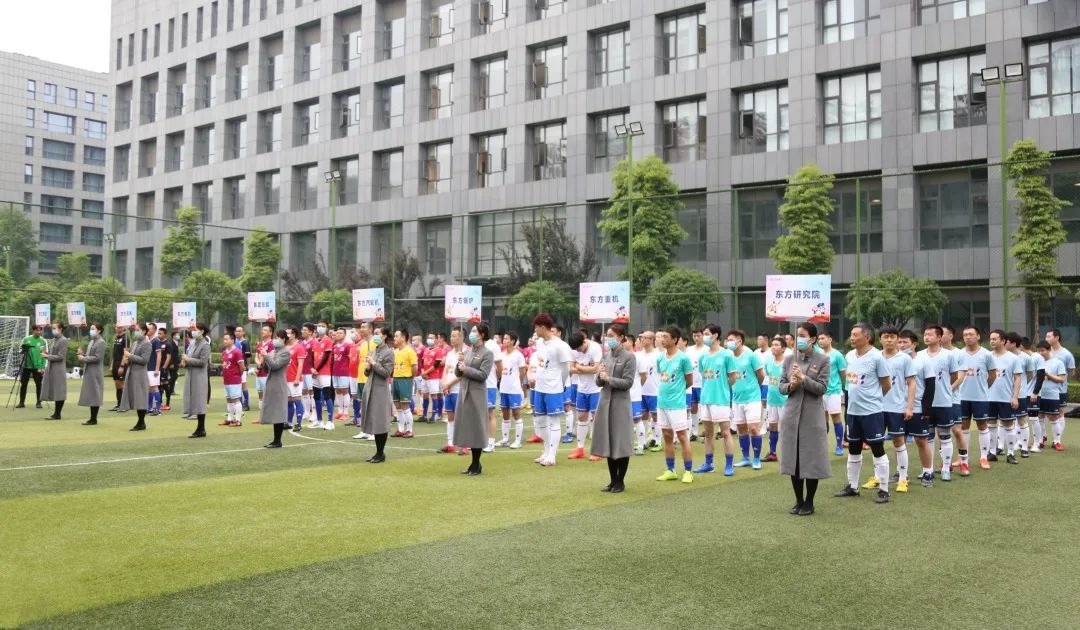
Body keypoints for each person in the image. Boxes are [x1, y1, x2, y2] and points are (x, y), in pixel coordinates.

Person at [834, 323, 893, 503]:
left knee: (877, 449)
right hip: (852, 412)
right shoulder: (849, 356)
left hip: (872, 413)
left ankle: (884, 489)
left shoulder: (877, 357)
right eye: (851, 334)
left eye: (855, 335)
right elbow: (849, 384)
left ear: (867, 337)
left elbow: (886, 384)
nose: (851, 338)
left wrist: (873, 400)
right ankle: (853, 487)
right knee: (853, 448)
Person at [778, 323, 831, 516]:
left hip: (812, 417)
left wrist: (803, 378)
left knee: (811, 459)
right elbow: (781, 387)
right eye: (797, 334)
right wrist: (791, 386)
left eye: (802, 335)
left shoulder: (823, 360)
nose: (798, 338)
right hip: (791, 415)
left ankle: (809, 502)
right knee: (794, 460)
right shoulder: (789, 359)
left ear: (813, 339)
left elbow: (822, 388)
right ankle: (799, 500)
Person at [863, 326, 917, 493]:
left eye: (893, 336)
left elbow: (911, 383)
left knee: (898, 441)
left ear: (897, 339)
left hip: (896, 407)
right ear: (880, 339)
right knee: (876, 442)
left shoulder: (905, 359)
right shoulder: (873, 357)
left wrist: (909, 406)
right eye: (886, 336)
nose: (889, 340)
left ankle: (903, 478)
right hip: (875, 407)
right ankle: (878, 477)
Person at [592, 325, 636, 493]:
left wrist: (609, 378)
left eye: (611, 335)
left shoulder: (629, 357)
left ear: (621, 337)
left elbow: (628, 382)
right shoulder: (606, 356)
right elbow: (599, 382)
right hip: (605, 403)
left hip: (620, 404)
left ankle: (620, 481)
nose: (608, 338)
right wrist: (599, 376)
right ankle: (612, 480)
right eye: (607, 335)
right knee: (608, 442)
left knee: (620, 442)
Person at [918, 325, 961, 481]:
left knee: (945, 435)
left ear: (939, 337)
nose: (926, 337)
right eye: (925, 334)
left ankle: (946, 468)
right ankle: (928, 469)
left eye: (930, 334)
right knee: (927, 436)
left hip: (943, 402)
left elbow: (954, 376)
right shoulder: (919, 355)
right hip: (925, 403)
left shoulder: (949, 355)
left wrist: (945, 390)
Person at [530, 314, 574, 466]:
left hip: (554, 388)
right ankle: (546, 451)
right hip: (539, 387)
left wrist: (561, 384)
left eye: (536, 328)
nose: (535, 331)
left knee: (554, 421)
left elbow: (566, 368)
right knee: (540, 420)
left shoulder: (560, 345)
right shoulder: (539, 343)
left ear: (543, 327)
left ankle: (552, 456)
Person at [694, 324, 737, 475]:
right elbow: (704, 376)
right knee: (708, 433)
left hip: (721, 400)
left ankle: (729, 465)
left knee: (725, 433)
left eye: (706, 334)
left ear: (715, 335)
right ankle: (708, 464)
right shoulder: (703, 356)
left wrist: (723, 388)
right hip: (706, 399)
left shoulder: (727, 355)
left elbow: (733, 377)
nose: (704, 337)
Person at [654, 325, 695, 484]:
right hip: (662, 403)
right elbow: (662, 377)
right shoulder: (660, 358)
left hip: (677, 404)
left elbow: (689, 381)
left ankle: (688, 471)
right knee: (667, 436)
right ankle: (670, 470)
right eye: (661, 336)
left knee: (682, 436)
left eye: (665, 337)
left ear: (675, 339)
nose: (662, 339)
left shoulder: (683, 358)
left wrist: (677, 391)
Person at [453, 323, 495, 476]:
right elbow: (458, 373)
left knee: (477, 427)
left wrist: (466, 369)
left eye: (474, 331)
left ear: (482, 335)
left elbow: (483, 375)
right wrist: (459, 364)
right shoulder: (467, 351)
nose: (471, 334)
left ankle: (476, 463)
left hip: (477, 394)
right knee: (468, 427)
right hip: (464, 392)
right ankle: (473, 463)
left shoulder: (487, 353)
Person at [898, 330, 938, 487]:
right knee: (899, 441)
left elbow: (930, 386)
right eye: (899, 342)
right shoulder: (895, 360)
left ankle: (928, 472)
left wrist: (927, 410)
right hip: (898, 407)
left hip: (918, 408)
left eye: (905, 342)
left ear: (914, 344)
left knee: (921, 440)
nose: (901, 345)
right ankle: (902, 473)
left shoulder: (923, 361)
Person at [957, 326, 996, 470]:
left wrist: (983, 388)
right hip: (962, 397)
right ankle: (963, 458)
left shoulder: (986, 355)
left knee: (982, 425)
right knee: (963, 426)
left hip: (980, 397)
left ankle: (984, 457)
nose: (968, 337)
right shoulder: (959, 354)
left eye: (971, 334)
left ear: (978, 336)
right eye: (965, 334)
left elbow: (992, 375)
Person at [728, 329, 766, 469]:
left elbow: (761, 375)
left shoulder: (751, 355)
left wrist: (754, 388)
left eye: (731, 340)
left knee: (753, 428)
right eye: (728, 340)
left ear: (739, 341)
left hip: (752, 398)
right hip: (737, 399)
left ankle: (756, 458)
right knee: (741, 428)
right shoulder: (728, 357)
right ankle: (746, 458)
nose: (729, 342)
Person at [987, 330, 1023, 464]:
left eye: (995, 339)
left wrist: (1015, 397)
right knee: (990, 424)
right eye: (990, 339)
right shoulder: (987, 356)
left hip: (1006, 398)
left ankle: (1011, 454)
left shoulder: (1013, 358)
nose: (992, 341)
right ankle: (992, 452)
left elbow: (1018, 378)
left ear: (1003, 341)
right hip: (989, 398)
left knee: (1008, 425)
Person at [361, 326, 395, 463]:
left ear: (384, 336)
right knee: (374, 420)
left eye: (377, 333)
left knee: (380, 421)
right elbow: (366, 373)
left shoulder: (389, 352)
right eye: (374, 333)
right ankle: (377, 452)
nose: (375, 336)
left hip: (380, 390)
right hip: (370, 388)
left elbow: (386, 373)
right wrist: (368, 367)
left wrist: (374, 364)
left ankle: (381, 453)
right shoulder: (372, 351)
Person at [568, 331, 603, 460]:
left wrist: (579, 367)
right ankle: (580, 449)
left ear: (584, 342)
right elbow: (570, 368)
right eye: (576, 349)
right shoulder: (574, 349)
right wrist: (585, 368)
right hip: (582, 389)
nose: (578, 351)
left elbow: (596, 369)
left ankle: (598, 451)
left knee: (597, 418)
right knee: (582, 417)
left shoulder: (595, 348)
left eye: (579, 348)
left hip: (596, 389)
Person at [436, 326, 467, 454]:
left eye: (455, 336)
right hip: (449, 390)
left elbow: (462, 374)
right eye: (451, 335)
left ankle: (465, 444)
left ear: (462, 337)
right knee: (450, 417)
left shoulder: (466, 352)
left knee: (462, 418)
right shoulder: (450, 353)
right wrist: (444, 383)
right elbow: (446, 370)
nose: (452, 338)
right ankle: (450, 443)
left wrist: (448, 384)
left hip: (460, 390)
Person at [258, 329, 292, 448]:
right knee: (274, 411)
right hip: (271, 383)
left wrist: (266, 356)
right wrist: (262, 362)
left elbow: (275, 365)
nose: (275, 340)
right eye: (275, 337)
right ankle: (275, 440)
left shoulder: (285, 352)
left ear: (284, 339)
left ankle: (278, 440)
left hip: (278, 384)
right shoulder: (273, 351)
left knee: (278, 412)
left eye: (278, 338)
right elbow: (268, 367)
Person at [816, 332, 848, 456]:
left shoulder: (837, 355)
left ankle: (839, 445)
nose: (820, 341)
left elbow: (843, 374)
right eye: (819, 339)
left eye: (823, 338)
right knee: (822, 418)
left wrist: (841, 387)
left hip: (834, 391)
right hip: (820, 391)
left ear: (830, 339)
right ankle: (821, 445)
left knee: (835, 417)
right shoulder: (818, 355)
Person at [119, 323, 152, 431]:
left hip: (140, 374)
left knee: (140, 398)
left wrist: (130, 356)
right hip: (132, 372)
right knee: (135, 398)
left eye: (138, 330)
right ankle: (140, 422)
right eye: (135, 330)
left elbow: (144, 360)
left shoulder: (147, 344)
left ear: (144, 331)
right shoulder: (135, 343)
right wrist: (127, 360)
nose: (135, 332)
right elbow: (131, 358)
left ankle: (141, 422)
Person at [497, 332, 527, 449]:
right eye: (503, 338)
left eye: (506, 338)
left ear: (513, 341)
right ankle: (505, 439)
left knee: (516, 413)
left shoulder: (518, 355)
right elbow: (499, 371)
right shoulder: (501, 355)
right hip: (503, 388)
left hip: (514, 389)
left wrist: (519, 384)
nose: (504, 340)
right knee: (505, 413)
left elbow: (522, 372)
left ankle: (518, 441)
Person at [1035, 342, 1067, 451]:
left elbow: (1061, 379)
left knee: (1053, 417)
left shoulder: (1058, 363)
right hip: (1038, 394)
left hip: (1052, 395)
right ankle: (1040, 440)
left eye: (1043, 350)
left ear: (1049, 350)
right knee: (1039, 417)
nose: (1040, 353)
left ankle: (1057, 441)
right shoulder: (1036, 362)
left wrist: (1048, 375)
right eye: (1038, 351)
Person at [182, 323, 212, 438]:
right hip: (191, 375)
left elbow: (202, 362)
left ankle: (201, 428)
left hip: (199, 377)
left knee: (200, 402)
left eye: (196, 329)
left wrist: (188, 360)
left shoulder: (205, 345)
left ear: (202, 331)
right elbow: (189, 357)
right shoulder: (193, 343)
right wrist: (185, 362)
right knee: (193, 400)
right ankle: (200, 428)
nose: (193, 331)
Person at [761, 336, 788, 462]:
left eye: (777, 345)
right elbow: (769, 378)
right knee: (772, 426)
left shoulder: (787, 363)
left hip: (784, 401)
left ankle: (789, 453)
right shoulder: (768, 363)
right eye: (772, 345)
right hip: (772, 400)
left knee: (786, 428)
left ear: (783, 348)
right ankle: (772, 453)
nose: (773, 347)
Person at [1045, 329, 1073, 450]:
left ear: (1057, 338)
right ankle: (1041, 438)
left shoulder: (1066, 354)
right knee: (1043, 413)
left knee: (1059, 413)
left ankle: (1057, 441)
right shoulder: (1044, 352)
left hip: (1060, 389)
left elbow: (1071, 371)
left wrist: (1063, 382)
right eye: (1046, 336)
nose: (1046, 339)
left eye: (1049, 336)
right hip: (1045, 389)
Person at [75, 322, 107, 425]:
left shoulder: (101, 342)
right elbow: (90, 355)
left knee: (95, 394)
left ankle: (94, 418)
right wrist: (82, 354)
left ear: (99, 330)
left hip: (95, 372)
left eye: (93, 329)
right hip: (89, 370)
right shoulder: (92, 341)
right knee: (91, 393)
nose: (91, 331)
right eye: (91, 329)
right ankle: (92, 418)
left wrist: (83, 358)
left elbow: (97, 358)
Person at [636, 331, 662, 452]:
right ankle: (644, 440)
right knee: (642, 415)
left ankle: (658, 441)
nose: (641, 340)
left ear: (652, 340)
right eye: (641, 338)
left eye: (644, 338)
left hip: (655, 391)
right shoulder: (638, 355)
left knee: (656, 415)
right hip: (641, 391)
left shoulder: (659, 355)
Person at [390, 328, 418, 438]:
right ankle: (400, 429)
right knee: (398, 406)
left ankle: (410, 430)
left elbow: (415, 367)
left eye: (396, 336)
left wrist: (410, 378)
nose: (394, 338)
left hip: (405, 380)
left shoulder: (410, 351)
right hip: (395, 379)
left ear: (403, 338)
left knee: (405, 405)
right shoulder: (395, 351)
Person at [41, 322, 69, 420]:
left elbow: (61, 357)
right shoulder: (54, 340)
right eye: (52, 328)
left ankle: (57, 413)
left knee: (59, 390)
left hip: (58, 369)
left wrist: (47, 356)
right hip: (51, 367)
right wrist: (46, 353)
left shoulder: (63, 340)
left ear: (60, 329)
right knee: (55, 389)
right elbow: (53, 353)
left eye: (54, 328)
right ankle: (56, 413)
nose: (53, 330)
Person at [683, 328, 706, 442]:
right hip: (692, 384)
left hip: (704, 384)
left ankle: (706, 432)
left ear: (703, 336)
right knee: (693, 408)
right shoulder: (689, 350)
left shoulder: (707, 349)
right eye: (694, 336)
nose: (696, 338)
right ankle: (694, 432)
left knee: (705, 408)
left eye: (698, 336)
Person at [329, 327, 354, 430]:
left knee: (344, 390)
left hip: (344, 372)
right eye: (337, 333)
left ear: (344, 335)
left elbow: (350, 358)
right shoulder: (334, 346)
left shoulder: (348, 346)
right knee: (337, 391)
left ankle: (345, 412)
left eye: (340, 333)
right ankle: (340, 411)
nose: (338, 335)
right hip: (335, 371)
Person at [15, 324, 46, 409]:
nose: (39, 332)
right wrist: (24, 350)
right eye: (37, 330)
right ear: (33, 330)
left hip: (38, 366)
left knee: (39, 384)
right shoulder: (26, 339)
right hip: (26, 365)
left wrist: (43, 366)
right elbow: (20, 351)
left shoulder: (43, 341)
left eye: (40, 330)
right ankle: (21, 402)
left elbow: (44, 354)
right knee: (24, 384)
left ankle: (39, 402)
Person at [219, 331, 246, 427]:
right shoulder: (225, 352)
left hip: (234, 380)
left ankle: (238, 420)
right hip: (226, 380)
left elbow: (242, 367)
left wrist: (237, 375)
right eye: (224, 339)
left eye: (227, 339)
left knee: (236, 400)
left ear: (232, 340)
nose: (225, 341)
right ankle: (229, 419)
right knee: (229, 399)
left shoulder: (237, 352)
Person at [284, 326, 307, 432]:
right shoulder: (284, 347)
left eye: (289, 333)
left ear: (294, 335)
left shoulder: (299, 347)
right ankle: (288, 422)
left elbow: (300, 364)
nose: (287, 335)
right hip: (285, 379)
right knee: (288, 401)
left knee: (297, 400)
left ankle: (298, 423)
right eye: (286, 333)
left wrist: (297, 378)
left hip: (294, 379)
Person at [253, 324, 275, 423]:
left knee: (268, 395)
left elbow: (269, 357)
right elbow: (256, 356)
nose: (263, 331)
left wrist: (261, 364)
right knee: (260, 394)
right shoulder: (260, 344)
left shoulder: (271, 344)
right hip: (259, 372)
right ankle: (262, 417)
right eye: (263, 330)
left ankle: (270, 416)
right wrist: (258, 364)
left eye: (265, 330)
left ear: (270, 333)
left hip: (267, 373)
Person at [146, 322, 163, 416]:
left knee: (154, 387)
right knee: (149, 388)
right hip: (147, 367)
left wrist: (157, 368)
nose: (147, 330)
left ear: (154, 330)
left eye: (149, 329)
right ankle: (150, 408)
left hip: (153, 368)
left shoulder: (156, 341)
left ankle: (158, 409)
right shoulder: (148, 340)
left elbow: (159, 355)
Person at [161, 328, 180, 411]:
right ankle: (167, 390)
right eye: (177, 334)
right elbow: (170, 355)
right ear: (173, 336)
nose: (178, 336)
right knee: (168, 380)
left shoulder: (174, 343)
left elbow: (174, 354)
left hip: (173, 364)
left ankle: (170, 392)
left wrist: (178, 362)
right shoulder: (170, 343)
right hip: (170, 365)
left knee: (173, 378)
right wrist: (171, 363)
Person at [109, 324, 127, 412]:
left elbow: (126, 353)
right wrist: (112, 365)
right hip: (115, 363)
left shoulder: (125, 338)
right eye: (116, 327)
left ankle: (124, 405)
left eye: (119, 327)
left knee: (121, 384)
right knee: (117, 384)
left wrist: (122, 366)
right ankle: (119, 404)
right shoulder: (116, 338)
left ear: (123, 328)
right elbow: (114, 353)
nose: (117, 328)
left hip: (121, 363)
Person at [234, 326, 252, 412]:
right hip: (235, 367)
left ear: (243, 332)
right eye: (236, 331)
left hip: (242, 367)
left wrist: (247, 366)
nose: (237, 333)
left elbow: (248, 356)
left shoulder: (245, 342)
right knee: (237, 385)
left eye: (239, 331)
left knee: (243, 384)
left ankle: (246, 404)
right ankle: (239, 403)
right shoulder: (234, 342)